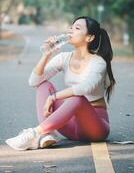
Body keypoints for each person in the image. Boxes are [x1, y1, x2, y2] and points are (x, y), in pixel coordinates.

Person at [5, 16, 116, 151]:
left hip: (95, 128)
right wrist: (46, 55)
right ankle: (46, 133)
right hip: (70, 127)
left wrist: (54, 97)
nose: (70, 30)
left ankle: (35, 133)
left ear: (89, 37)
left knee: (78, 99)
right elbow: (33, 82)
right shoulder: (64, 58)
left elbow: (86, 87)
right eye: (71, 26)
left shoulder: (98, 62)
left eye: (77, 28)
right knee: (43, 85)